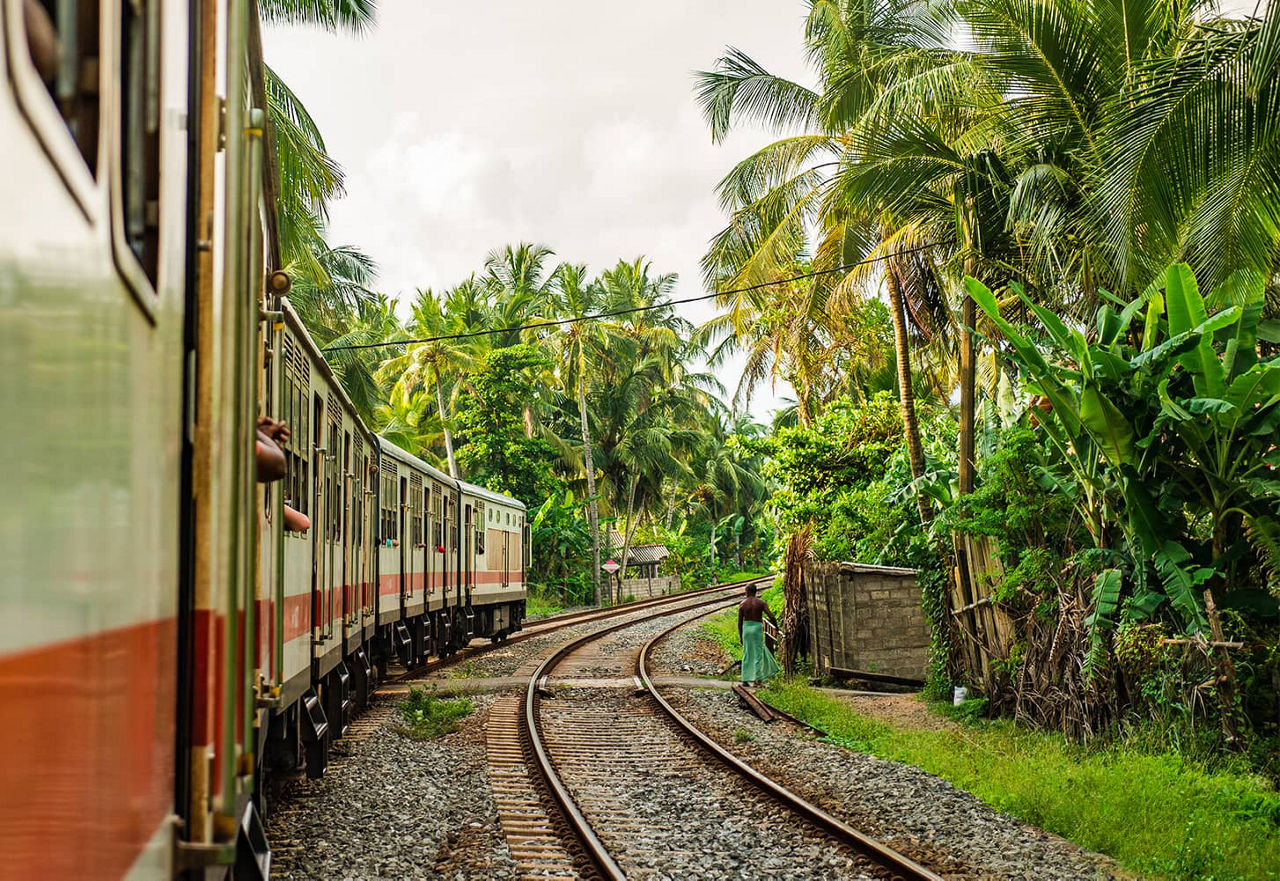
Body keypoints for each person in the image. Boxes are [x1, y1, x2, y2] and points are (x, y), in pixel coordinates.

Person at [737, 583, 780, 687]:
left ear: (747, 591)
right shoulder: (761, 603)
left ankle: (745, 679)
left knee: (747, 653)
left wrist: (741, 636)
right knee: (758, 654)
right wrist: (776, 627)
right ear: (755, 591)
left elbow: (739, 623)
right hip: (756, 628)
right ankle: (757, 680)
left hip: (746, 629)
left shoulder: (742, 604)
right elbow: (771, 616)